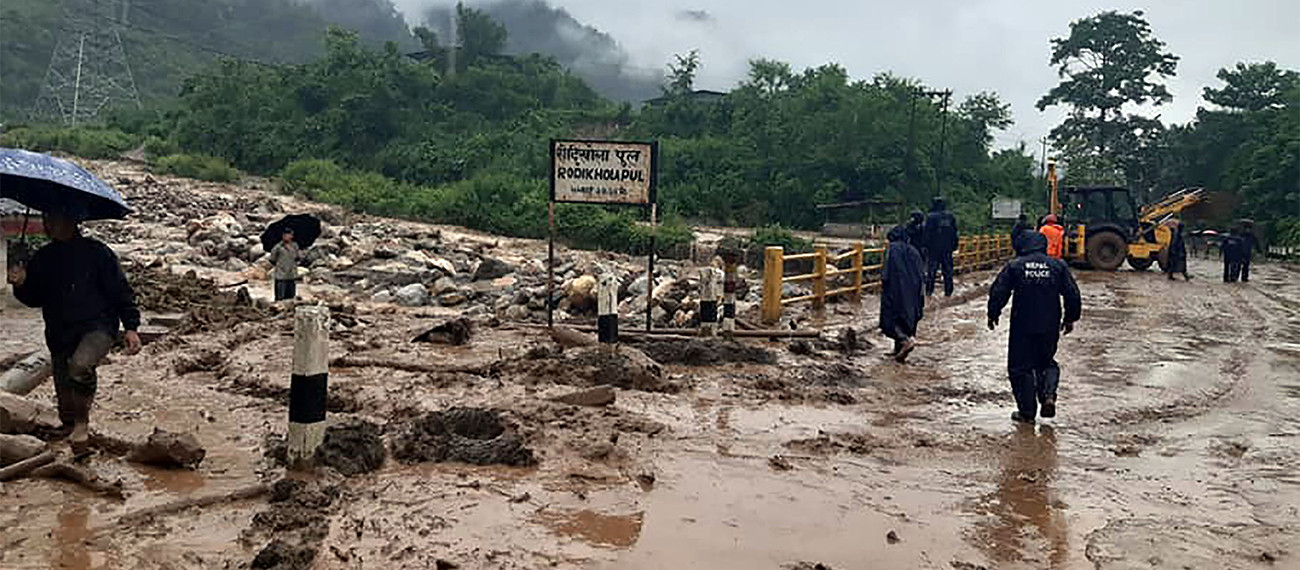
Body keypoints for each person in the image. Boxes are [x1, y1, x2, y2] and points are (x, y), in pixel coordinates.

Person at [7, 211, 141, 455]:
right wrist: (21, 285)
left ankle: (83, 425)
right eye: (46, 220)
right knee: (65, 403)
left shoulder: (98, 253)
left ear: (71, 222)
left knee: (80, 366)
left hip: (98, 326)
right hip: (60, 331)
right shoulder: (44, 257)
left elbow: (120, 291)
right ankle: (71, 438)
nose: (48, 226)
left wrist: (131, 327)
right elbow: (34, 298)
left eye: (53, 220)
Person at [988, 232, 1081, 424]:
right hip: (1049, 324)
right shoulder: (1058, 266)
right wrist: (1071, 317)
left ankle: (1027, 412)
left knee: (1020, 368)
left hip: (1022, 324)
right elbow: (1072, 294)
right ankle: (1048, 396)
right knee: (1046, 362)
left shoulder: (1015, 266)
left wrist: (993, 313)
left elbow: (999, 291)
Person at [880, 225, 925, 363]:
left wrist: (883, 286)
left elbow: (886, 273)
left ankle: (904, 341)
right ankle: (898, 350)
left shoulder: (893, 249)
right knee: (907, 319)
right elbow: (921, 274)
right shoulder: (914, 250)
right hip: (914, 292)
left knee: (890, 319)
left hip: (896, 289)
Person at [922, 196, 959, 297]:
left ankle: (929, 292)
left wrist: (925, 246)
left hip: (933, 249)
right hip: (947, 249)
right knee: (947, 271)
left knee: (931, 271)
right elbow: (954, 232)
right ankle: (948, 291)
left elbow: (926, 233)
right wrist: (955, 245)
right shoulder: (950, 217)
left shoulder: (931, 217)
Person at [269, 228, 301, 301]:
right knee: (280, 298)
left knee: (291, 298)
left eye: (289, 235)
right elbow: (272, 259)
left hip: (291, 275)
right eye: (285, 235)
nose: (287, 236)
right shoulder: (278, 247)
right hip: (281, 276)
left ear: (292, 236)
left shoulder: (295, 246)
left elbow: (298, 257)